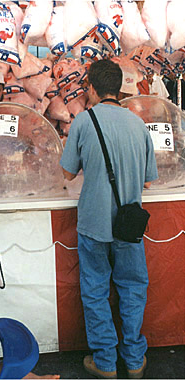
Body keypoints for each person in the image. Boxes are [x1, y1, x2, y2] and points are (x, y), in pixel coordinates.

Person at [60, 60, 158, 379]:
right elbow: (148, 180)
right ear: (118, 88)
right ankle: (133, 359)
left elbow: (67, 172)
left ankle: (104, 361)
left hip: (94, 223)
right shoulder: (138, 124)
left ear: (91, 87)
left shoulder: (83, 122)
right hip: (129, 225)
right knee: (132, 288)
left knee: (95, 290)